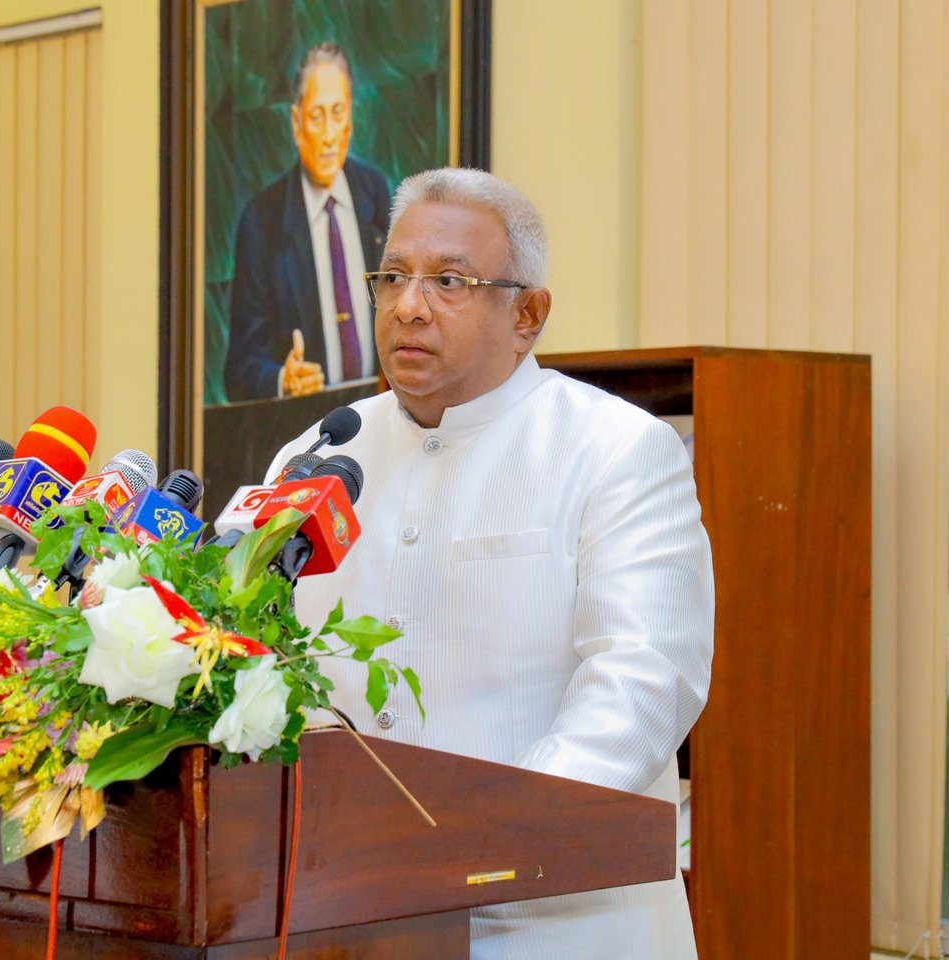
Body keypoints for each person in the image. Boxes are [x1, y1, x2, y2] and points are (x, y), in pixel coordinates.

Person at [267, 168, 715, 958]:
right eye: (394, 277)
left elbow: (642, 684)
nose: (409, 305)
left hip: (553, 920)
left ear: (528, 314)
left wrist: (482, 842)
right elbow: (265, 668)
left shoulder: (614, 452)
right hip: (352, 919)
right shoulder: (315, 456)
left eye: (449, 281)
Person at [224, 41, 391, 402]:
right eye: (317, 116)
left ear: (350, 119)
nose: (330, 134)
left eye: (338, 112)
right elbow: (239, 368)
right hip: (306, 436)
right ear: (297, 123)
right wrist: (283, 378)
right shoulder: (262, 221)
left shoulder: (376, 193)